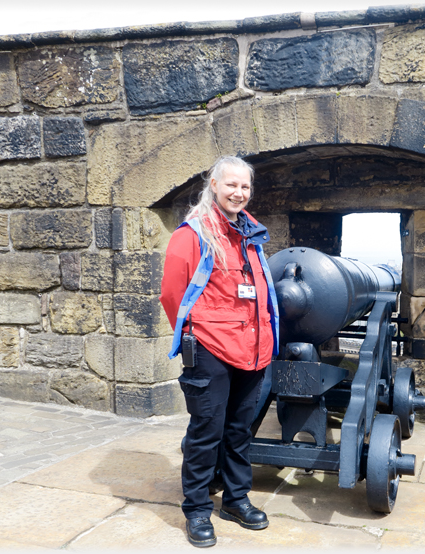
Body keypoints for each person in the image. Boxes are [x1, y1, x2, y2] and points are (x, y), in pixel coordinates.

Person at [160, 156, 279, 548]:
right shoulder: (193, 234)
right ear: (214, 184)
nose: (238, 193)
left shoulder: (250, 233)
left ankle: (236, 498)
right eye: (231, 185)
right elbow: (173, 295)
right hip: (211, 348)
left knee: (239, 430)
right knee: (206, 431)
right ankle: (196, 508)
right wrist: (198, 332)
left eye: (245, 187)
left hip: (253, 349)